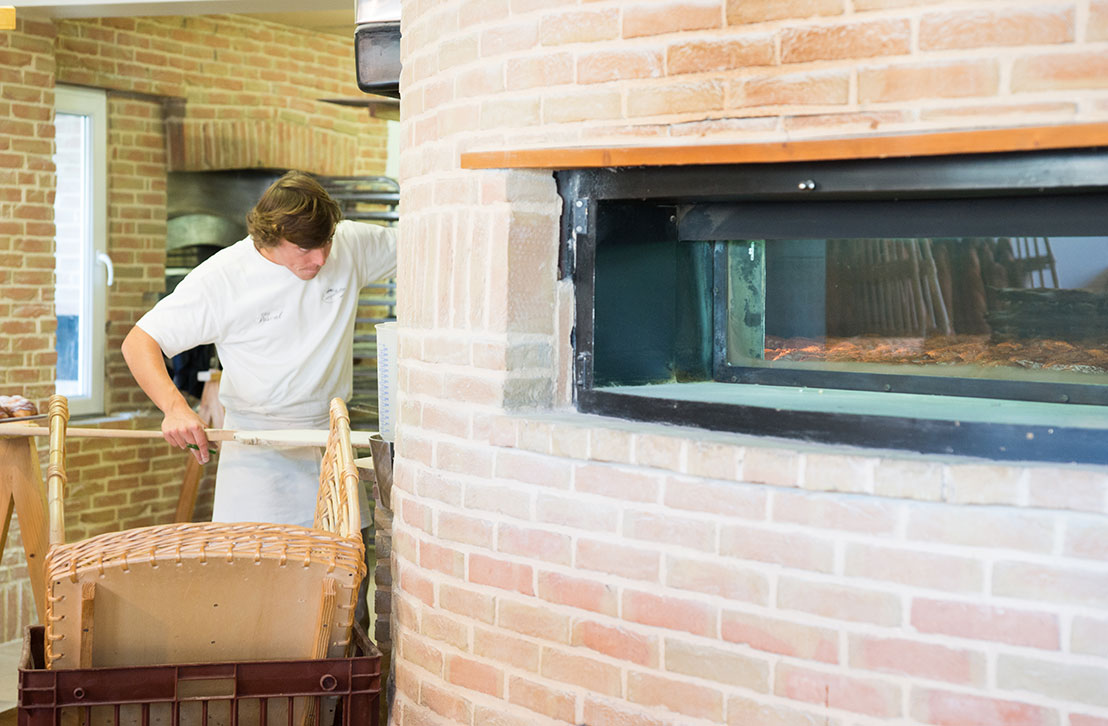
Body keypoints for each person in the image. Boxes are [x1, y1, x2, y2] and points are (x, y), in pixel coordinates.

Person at [122, 170, 397, 528]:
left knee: (347, 573)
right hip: (258, 455)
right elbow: (140, 342)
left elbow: (424, 243)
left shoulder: (348, 245)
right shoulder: (223, 277)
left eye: (326, 242)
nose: (320, 258)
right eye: (304, 249)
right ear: (272, 236)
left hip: (329, 439)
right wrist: (174, 408)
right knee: (262, 574)